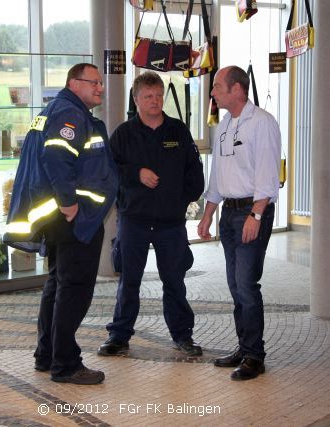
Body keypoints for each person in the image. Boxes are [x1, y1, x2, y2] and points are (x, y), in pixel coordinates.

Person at [4, 63, 118, 385]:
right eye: (93, 82)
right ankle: (66, 364)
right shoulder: (69, 114)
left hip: (59, 218)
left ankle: (47, 354)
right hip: (72, 219)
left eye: (101, 83)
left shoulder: (55, 110)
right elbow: (57, 159)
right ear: (73, 82)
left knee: (57, 285)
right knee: (74, 289)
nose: (100, 88)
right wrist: (70, 204)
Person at [97, 71, 205, 358]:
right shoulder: (123, 134)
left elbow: (195, 172)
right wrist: (136, 174)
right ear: (137, 99)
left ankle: (183, 336)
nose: (155, 101)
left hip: (171, 224)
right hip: (135, 221)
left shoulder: (178, 131)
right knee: (129, 282)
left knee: (174, 282)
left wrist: (183, 197)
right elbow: (108, 171)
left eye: (158, 96)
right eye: (148, 97)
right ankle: (119, 336)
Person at [197, 65, 281, 380]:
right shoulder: (224, 125)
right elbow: (218, 176)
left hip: (251, 212)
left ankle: (255, 357)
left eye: (217, 86)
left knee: (246, 285)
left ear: (237, 90)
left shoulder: (262, 124)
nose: (213, 92)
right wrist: (208, 214)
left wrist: (256, 215)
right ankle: (244, 348)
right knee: (235, 286)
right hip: (228, 214)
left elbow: (268, 177)